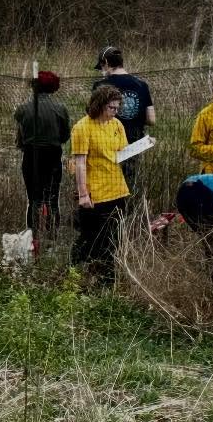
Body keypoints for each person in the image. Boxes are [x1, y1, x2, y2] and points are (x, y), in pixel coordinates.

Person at [70, 85, 134, 281]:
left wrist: (142, 146)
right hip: (95, 192)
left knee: (112, 239)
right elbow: (79, 163)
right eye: (111, 108)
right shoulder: (83, 127)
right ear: (99, 105)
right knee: (90, 237)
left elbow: (122, 153)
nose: (115, 112)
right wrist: (83, 193)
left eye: (117, 108)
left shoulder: (117, 125)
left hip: (117, 188)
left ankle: (106, 280)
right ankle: (74, 274)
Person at [13, 70, 71, 242]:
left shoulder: (23, 109)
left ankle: (33, 239)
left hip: (31, 157)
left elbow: (20, 137)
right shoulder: (60, 109)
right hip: (53, 157)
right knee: (52, 199)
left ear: (34, 87)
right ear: (53, 88)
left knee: (34, 200)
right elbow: (65, 136)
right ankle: (52, 240)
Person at [92, 47, 155, 196]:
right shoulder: (141, 85)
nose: (102, 70)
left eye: (101, 66)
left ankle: (111, 216)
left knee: (107, 186)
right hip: (134, 143)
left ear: (106, 63)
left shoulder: (100, 86)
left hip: (106, 143)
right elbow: (151, 119)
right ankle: (129, 214)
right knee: (130, 183)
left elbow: (93, 116)